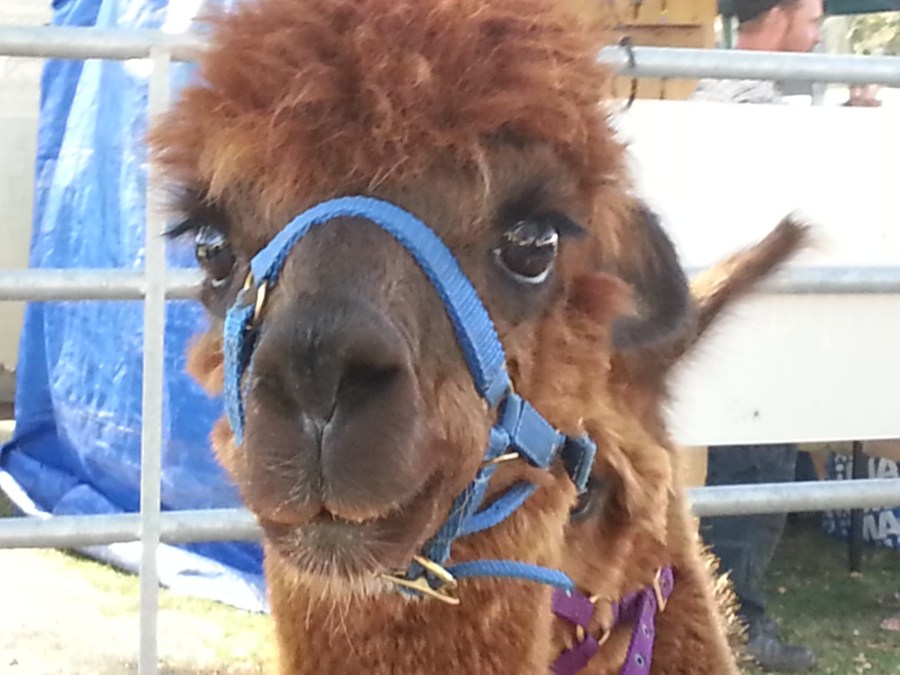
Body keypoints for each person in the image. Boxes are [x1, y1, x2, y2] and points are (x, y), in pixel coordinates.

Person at [690, 0, 823, 671]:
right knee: (757, 460)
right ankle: (740, 618)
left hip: (738, 309)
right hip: (750, 320)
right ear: (778, 13)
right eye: (813, 17)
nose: (818, 33)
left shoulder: (709, 89)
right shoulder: (754, 107)